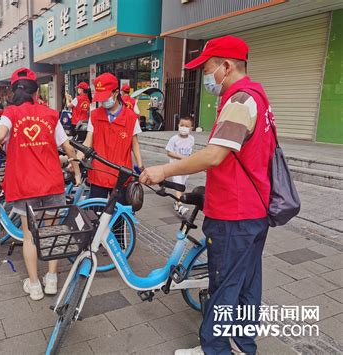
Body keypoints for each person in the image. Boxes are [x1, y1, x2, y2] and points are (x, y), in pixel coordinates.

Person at [139, 36, 276, 355]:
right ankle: (243, 347)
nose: (206, 76)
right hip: (253, 211)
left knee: (224, 287)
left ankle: (215, 350)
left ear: (227, 66)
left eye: (208, 68)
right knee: (246, 285)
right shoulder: (258, 97)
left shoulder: (240, 101)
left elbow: (214, 155)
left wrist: (164, 170)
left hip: (234, 215)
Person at [0, 67, 81, 301]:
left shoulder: (10, 112)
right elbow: (67, 146)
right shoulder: (50, 114)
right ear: (36, 91)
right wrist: (76, 169)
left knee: (28, 236)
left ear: (13, 91)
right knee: (51, 231)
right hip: (51, 182)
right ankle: (51, 279)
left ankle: (34, 285)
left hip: (24, 185)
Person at [80, 72, 143, 203]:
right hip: (99, 174)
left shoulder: (131, 117)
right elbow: (88, 140)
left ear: (116, 92)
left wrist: (141, 166)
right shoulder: (95, 115)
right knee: (96, 213)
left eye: (106, 97)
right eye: (100, 98)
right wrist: (77, 158)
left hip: (121, 175)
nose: (103, 101)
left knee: (118, 218)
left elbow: (134, 144)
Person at [165, 116, 194, 216]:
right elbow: (169, 152)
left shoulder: (191, 139)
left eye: (187, 126)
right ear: (178, 125)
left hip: (186, 168)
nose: (184, 127)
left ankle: (176, 202)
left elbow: (190, 153)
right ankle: (180, 205)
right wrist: (180, 157)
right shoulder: (174, 139)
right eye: (182, 125)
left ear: (191, 128)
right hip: (175, 167)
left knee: (182, 186)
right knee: (178, 185)